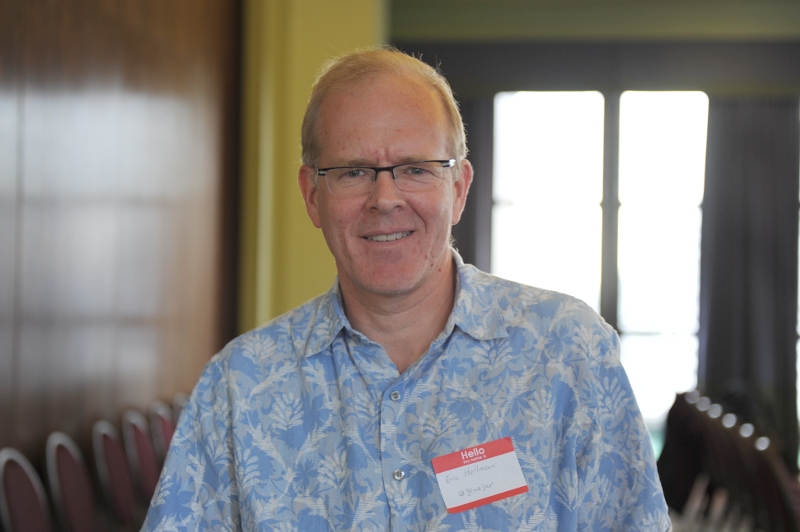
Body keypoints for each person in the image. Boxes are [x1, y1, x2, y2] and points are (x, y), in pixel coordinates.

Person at [143, 47, 671, 531]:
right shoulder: (238, 390)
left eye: (416, 169)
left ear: (458, 189)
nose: (385, 198)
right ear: (311, 196)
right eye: (353, 172)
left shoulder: (569, 354)